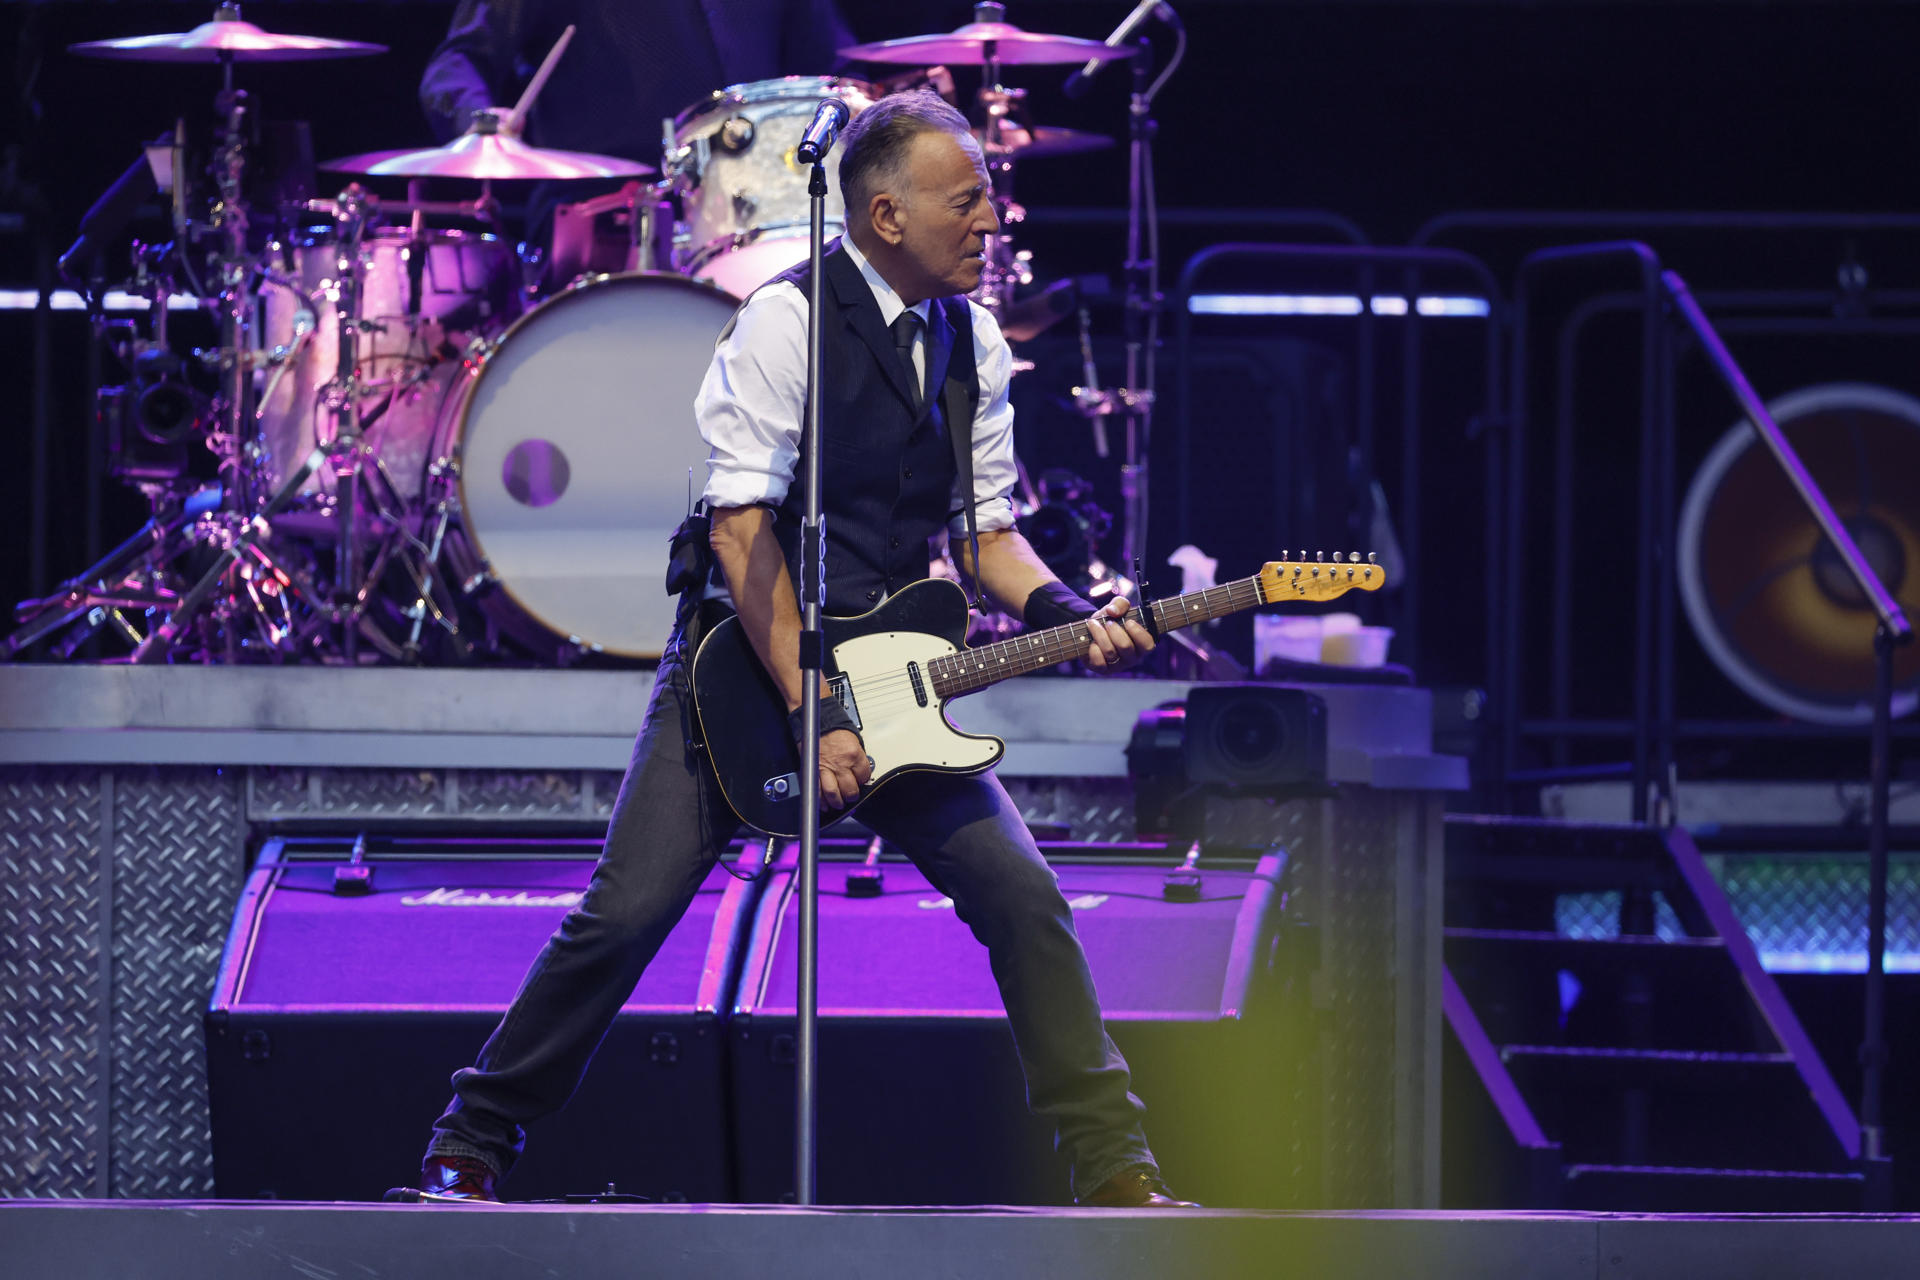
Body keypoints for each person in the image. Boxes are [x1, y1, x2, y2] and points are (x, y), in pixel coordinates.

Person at [407, 90, 1193, 1210]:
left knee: (1024, 897)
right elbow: (741, 532)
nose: (990, 223)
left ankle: (1117, 1168)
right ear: (883, 215)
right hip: (744, 661)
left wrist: (1071, 605)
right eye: (966, 201)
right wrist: (814, 705)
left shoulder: (972, 340)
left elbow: (985, 534)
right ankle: (468, 1144)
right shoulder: (786, 322)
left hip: (890, 671)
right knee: (624, 915)